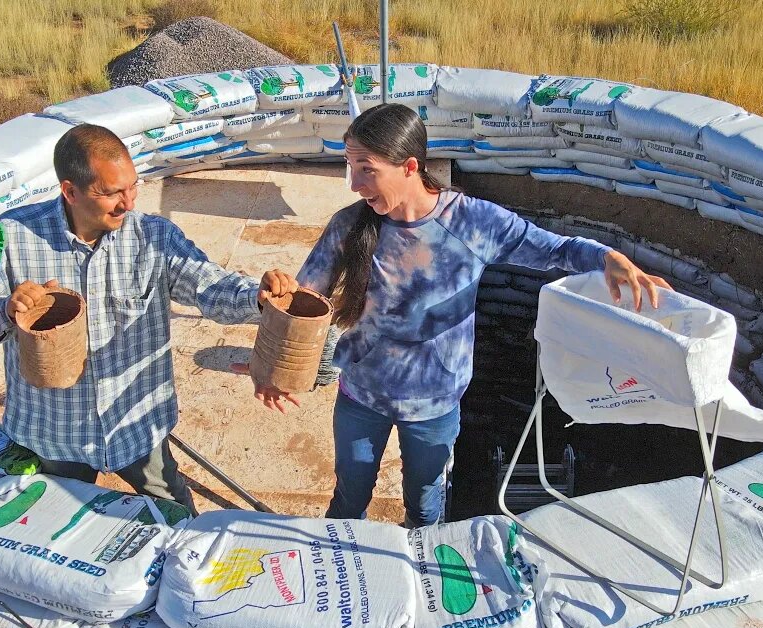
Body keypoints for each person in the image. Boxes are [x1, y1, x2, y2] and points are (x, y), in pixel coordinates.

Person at [258, 103, 670, 527]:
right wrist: (274, 317)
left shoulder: (472, 222)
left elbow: (555, 250)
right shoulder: (349, 226)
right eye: (351, 168)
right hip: (362, 397)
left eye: (366, 169)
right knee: (349, 498)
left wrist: (607, 259)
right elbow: (305, 303)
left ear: (409, 166)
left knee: (425, 504)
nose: (355, 185)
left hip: (435, 404)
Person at [0, 123, 298, 509]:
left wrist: (257, 297)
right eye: (111, 192)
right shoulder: (8, 238)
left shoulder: (154, 238)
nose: (128, 202)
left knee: (176, 512)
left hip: (136, 424)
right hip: (55, 433)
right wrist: (5, 309)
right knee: (58, 520)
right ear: (70, 191)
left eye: (132, 186)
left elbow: (209, 286)